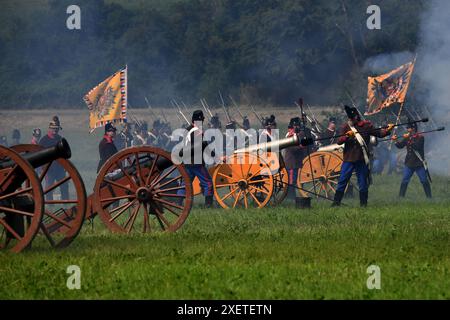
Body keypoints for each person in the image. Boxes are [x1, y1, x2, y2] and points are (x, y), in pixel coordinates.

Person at [332, 106, 394, 207]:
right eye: (349, 118)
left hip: (361, 158)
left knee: (363, 183)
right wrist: (347, 136)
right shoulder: (345, 127)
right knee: (342, 181)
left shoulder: (366, 126)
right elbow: (339, 141)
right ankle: (336, 203)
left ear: (356, 117)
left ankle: (363, 204)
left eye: (352, 118)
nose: (350, 120)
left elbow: (379, 133)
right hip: (349, 158)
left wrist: (388, 130)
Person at [178, 110, 214, 208]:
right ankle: (208, 205)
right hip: (196, 163)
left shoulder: (187, 130)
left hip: (186, 162)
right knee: (208, 182)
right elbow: (203, 146)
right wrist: (214, 155)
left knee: (185, 184)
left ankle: (178, 203)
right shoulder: (197, 131)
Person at [393, 121, 432, 198]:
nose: (407, 129)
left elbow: (417, 147)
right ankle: (401, 197)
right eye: (407, 128)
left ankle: (429, 198)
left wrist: (409, 139)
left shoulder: (420, 137)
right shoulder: (408, 137)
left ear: (413, 129)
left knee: (424, 180)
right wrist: (395, 140)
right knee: (405, 180)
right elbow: (400, 145)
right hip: (409, 163)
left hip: (418, 163)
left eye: (408, 128)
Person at [39, 119, 68, 200]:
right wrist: (43, 168)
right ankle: (49, 204)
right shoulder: (43, 140)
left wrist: (65, 166)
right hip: (49, 169)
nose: (55, 130)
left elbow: (64, 153)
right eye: (53, 128)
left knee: (64, 186)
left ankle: (66, 203)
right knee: (49, 188)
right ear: (50, 129)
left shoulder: (60, 139)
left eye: (57, 128)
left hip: (60, 168)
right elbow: (39, 155)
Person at [283, 117, 309, 199]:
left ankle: (292, 197)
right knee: (291, 181)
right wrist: (301, 146)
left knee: (295, 180)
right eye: (295, 125)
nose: (296, 127)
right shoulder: (290, 136)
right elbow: (291, 148)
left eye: (298, 125)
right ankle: (290, 198)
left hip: (297, 161)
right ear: (292, 126)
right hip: (291, 162)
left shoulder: (300, 134)